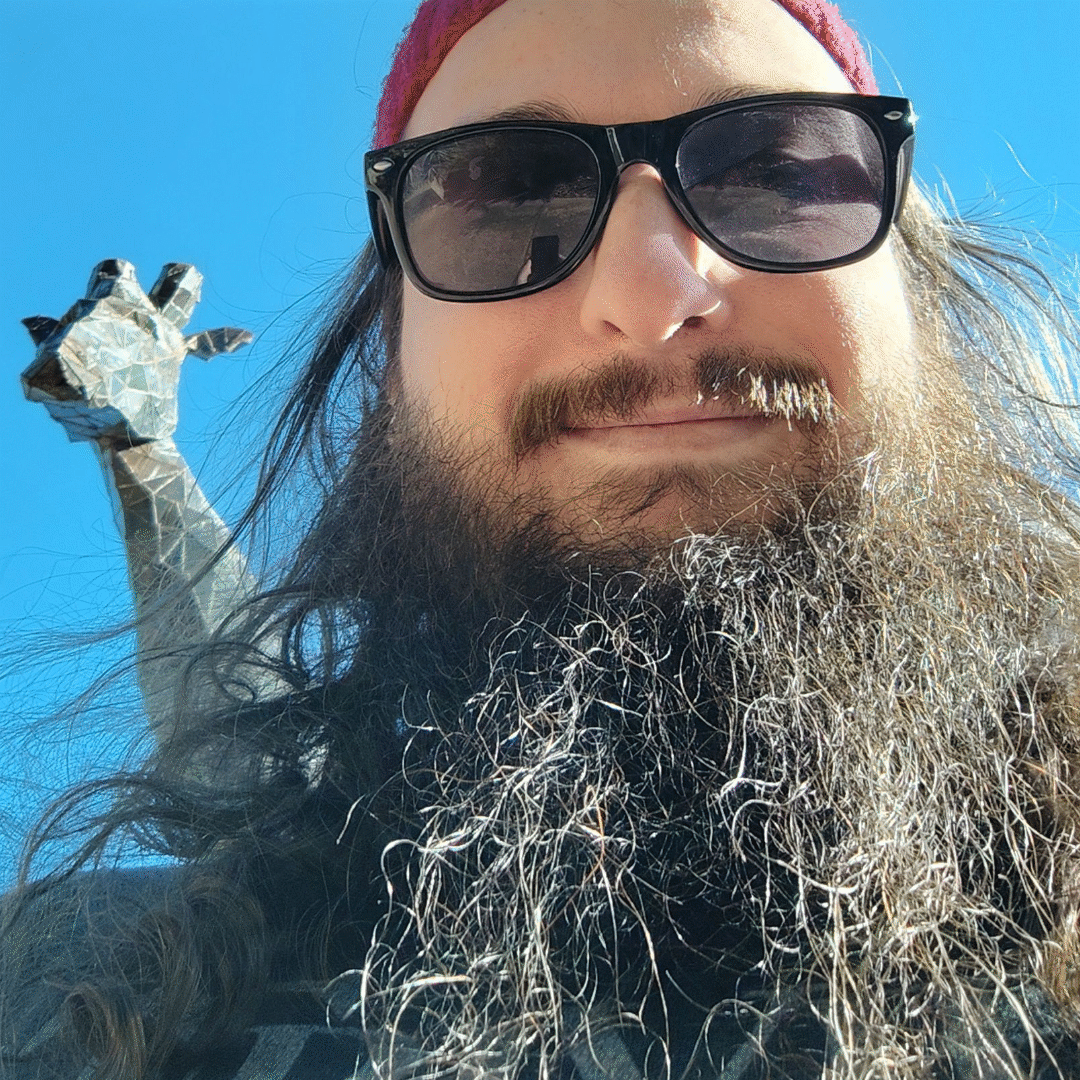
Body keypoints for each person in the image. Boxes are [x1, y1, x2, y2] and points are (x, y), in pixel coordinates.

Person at [3, 0, 1080, 1077]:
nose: (654, 294)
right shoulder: (79, 991)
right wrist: (143, 458)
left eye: (777, 172)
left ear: (919, 300)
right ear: (392, 379)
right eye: (511, 197)